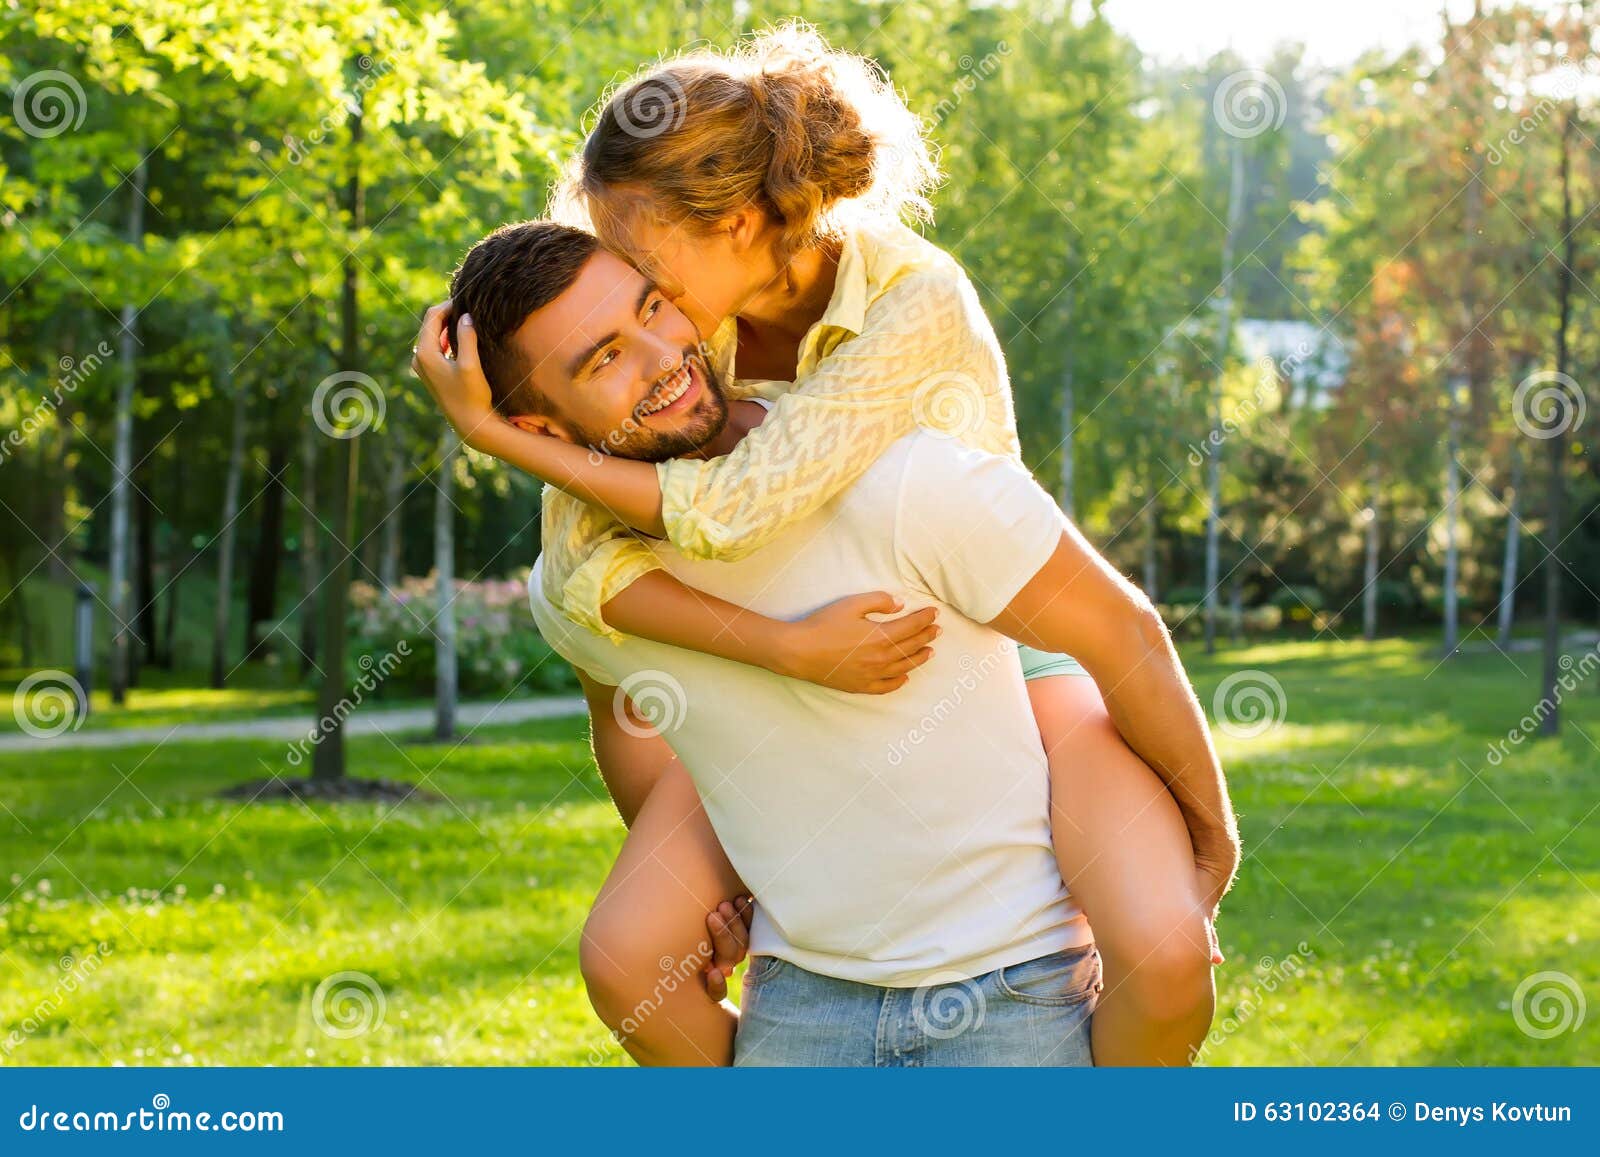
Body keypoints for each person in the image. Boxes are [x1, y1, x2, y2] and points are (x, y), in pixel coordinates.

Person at [414, 25, 1239, 1065]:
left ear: (744, 221)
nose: (623, 276)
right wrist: (732, 850)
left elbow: (733, 506)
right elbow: (580, 572)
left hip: (994, 641)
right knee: (627, 954)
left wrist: (1210, 831)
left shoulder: (908, 298)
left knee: (1164, 947)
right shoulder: (679, 323)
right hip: (773, 687)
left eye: (639, 256)